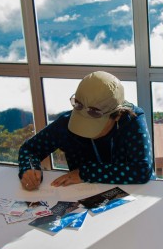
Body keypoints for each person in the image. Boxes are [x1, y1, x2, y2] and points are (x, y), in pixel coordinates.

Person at [18, 71, 154, 191]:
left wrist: (86, 173)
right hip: (82, 197)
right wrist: (29, 168)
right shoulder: (66, 122)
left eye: (94, 124)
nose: (85, 131)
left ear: (117, 115)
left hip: (136, 194)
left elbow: (142, 170)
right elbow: (29, 149)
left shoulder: (132, 120)